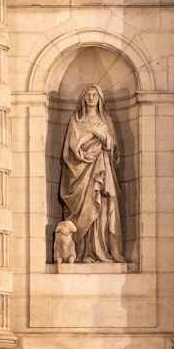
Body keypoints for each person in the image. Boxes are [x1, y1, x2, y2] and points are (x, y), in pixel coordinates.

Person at [59, 84, 127, 263]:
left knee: (102, 207)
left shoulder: (106, 120)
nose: (91, 97)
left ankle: (101, 250)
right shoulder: (76, 120)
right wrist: (90, 134)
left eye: (94, 94)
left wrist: (100, 134)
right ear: (83, 98)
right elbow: (71, 148)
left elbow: (114, 147)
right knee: (85, 207)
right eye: (88, 94)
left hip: (102, 168)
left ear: (99, 98)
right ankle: (83, 251)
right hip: (81, 172)